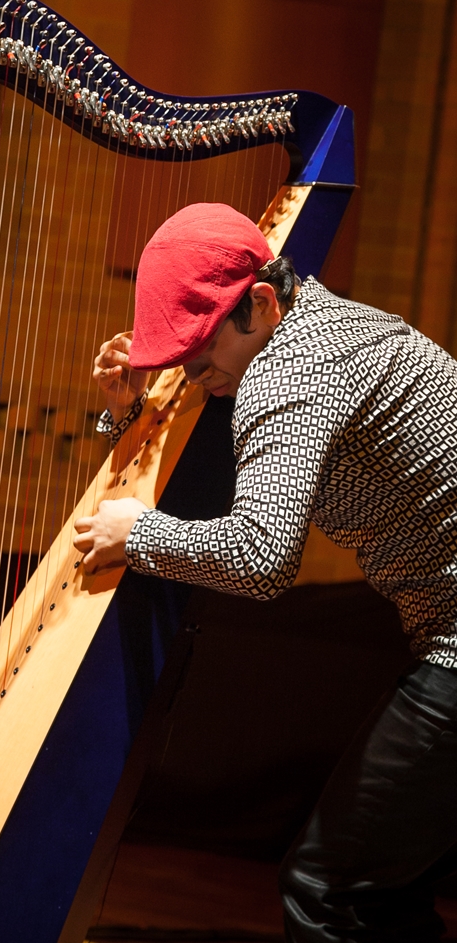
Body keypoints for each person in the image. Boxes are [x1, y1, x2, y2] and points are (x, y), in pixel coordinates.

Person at [72, 202, 457, 943]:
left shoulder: (289, 376)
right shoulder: (312, 324)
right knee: (380, 891)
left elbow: (259, 557)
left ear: (260, 302)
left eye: (199, 352)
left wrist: (138, 534)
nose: (192, 375)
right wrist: (121, 416)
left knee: (327, 892)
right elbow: (187, 484)